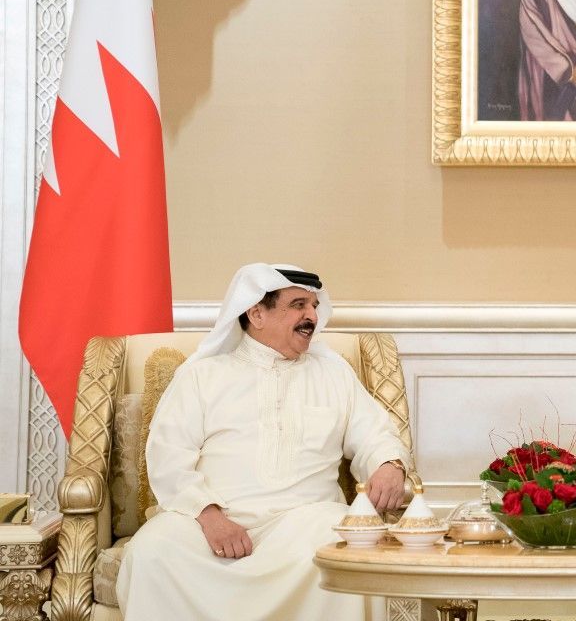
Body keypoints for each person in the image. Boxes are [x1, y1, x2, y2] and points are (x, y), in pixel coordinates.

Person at [117, 263, 411, 621]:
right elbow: (168, 458)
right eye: (299, 305)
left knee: (345, 544)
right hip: (209, 521)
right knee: (152, 551)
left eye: (314, 306)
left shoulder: (333, 374)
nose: (312, 316)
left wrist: (389, 464)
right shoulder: (202, 376)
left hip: (305, 523)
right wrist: (210, 517)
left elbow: (375, 435)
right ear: (256, 313)